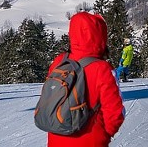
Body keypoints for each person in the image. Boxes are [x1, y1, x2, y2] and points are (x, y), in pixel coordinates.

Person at [46, 11, 125, 147]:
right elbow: (115, 113)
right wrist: (104, 135)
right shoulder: (103, 68)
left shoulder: (59, 61)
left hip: (56, 139)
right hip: (91, 140)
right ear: (100, 35)